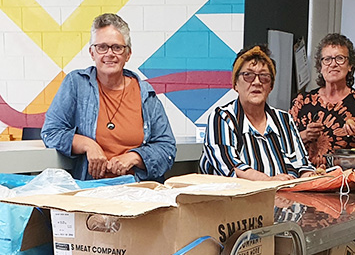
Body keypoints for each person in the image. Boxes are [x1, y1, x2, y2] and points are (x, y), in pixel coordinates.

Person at [42, 13, 176, 182]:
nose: (109, 53)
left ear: (128, 54)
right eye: (102, 47)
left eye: (117, 47)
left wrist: (135, 157)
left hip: (137, 191)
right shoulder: (76, 84)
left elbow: (166, 147)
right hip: (90, 191)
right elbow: (51, 133)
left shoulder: (145, 93)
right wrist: (87, 144)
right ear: (92, 53)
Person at [200, 45, 315, 181]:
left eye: (264, 76)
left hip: (285, 198)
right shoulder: (222, 117)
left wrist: (314, 177)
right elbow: (229, 165)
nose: (256, 82)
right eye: (248, 75)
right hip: (234, 200)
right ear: (235, 84)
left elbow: (302, 166)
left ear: (271, 86)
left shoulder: (284, 119)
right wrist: (268, 181)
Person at [289, 33, 355, 168]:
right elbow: (282, 145)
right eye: (327, 59)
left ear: (350, 65)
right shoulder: (302, 101)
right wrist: (304, 135)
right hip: (306, 177)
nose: (333, 64)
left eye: (340, 58)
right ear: (320, 67)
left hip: (348, 180)